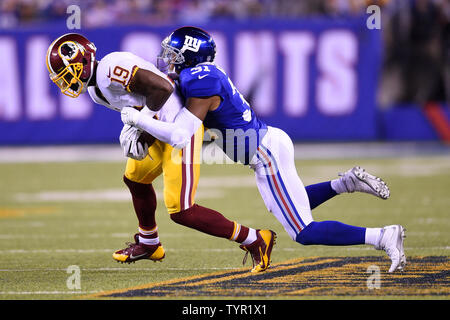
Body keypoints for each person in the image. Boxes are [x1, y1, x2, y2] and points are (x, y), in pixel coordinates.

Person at [121, 26, 407, 273]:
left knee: (303, 232)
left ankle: (382, 236)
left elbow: (181, 134)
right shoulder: (199, 75)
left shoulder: (201, 80)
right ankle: (345, 183)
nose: (168, 60)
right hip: (267, 147)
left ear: (191, 57)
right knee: (289, 206)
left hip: (265, 154)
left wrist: (137, 118)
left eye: (174, 55)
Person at [45, 32, 276, 273]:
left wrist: (141, 124)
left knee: (182, 211)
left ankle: (256, 239)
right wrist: (140, 131)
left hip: (178, 129)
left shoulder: (110, 68)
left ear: (80, 63)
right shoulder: (96, 90)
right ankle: (149, 243)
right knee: (135, 179)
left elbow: (162, 88)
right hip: (160, 128)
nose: (65, 82)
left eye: (66, 74)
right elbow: (142, 103)